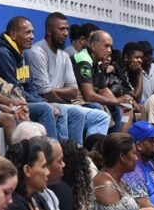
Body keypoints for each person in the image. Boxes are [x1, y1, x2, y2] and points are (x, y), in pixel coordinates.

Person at [25, 12, 110, 142]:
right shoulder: (37, 52)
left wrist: (54, 90)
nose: (65, 33)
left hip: (62, 102)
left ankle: (92, 154)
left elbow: (73, 90)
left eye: (67, 29)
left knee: (101, 117)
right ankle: (69, 154)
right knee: (75, 112)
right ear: (49, 30)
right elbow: (44, 92)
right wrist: (62, 98)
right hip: (45, 103)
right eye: (61, 29)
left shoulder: (64, 55)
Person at [0, 16, 60, 138]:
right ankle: (50, 152)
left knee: (65, 111)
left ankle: (66, 152)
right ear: (13, 35)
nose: (32, 36)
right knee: (45, 109)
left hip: (23, 100)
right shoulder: (1, 53)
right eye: (28, 32)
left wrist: (43, 101)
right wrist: (45, 104)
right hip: (9, 102)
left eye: (33, 32)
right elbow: (15, 91)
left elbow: (31, 87)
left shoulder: (24, 53)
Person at [73, 29, 131, 131]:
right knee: (98, 108)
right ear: (94, 46)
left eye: (111, 47)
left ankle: (117, 142)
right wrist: (117, 101)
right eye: (106, 46)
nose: (110, 50)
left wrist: (120, 103)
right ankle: (96, 145)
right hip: (75, 101)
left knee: (121, 108)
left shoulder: (96, 63)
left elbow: (103, 90)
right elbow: (89, 95)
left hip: (86, 99)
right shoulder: (84, 60)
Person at [122, 121, 154, 208]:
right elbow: (144, 205)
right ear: (139, 146)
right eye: (153, 140)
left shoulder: (149, 163)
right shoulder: (132, 170)